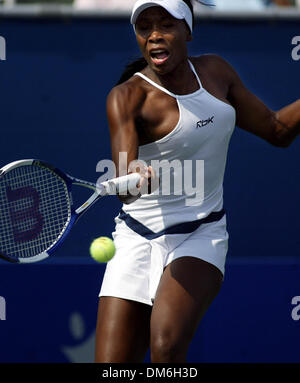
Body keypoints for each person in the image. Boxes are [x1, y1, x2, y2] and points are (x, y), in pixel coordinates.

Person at [95, 0, 300, 363]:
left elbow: (277, 130)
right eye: (145, 28)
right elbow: (125, 183)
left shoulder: (217, 73)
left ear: (187, 30)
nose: (155, 35)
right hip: (134, 238)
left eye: (166, 25)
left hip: (200, 235)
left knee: (166, 345)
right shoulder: (126, 97)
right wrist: (133, 179)